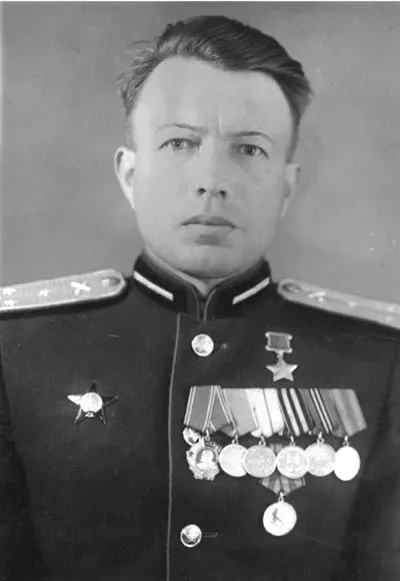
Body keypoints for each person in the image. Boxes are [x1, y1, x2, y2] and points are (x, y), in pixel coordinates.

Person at [1, 14, 400, 581]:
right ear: (130, 174)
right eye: (180, 143)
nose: (212, 179)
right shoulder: (16, 349)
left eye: (249, 150)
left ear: (286, 189)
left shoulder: (379, 360)